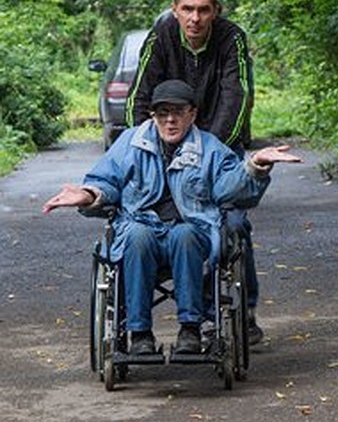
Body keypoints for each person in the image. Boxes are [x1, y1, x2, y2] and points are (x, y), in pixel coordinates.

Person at [44, 81, 300, 356]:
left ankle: (190, 329)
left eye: (178, 112)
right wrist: (88, 195)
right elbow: (105, 181)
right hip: (141, 230)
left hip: (192, 234)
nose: (170, 119)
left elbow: (230, 187)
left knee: (184, 234)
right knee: (136, 235)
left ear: (192, 114)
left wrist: (254, 166)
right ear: (152, 115)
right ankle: (139, 332)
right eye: (163, 112)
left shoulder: (210, 149)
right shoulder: (130, 143)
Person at [125, 0, 267, 343]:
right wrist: (148, 142)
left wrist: (203, 149)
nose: (195, 18)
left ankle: (237, 310)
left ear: (215, 12)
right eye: (187, 9)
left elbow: (236, 98)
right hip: (164, 137)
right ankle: (136, 316)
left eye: (203, 10)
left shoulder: (231, 39)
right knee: (137, 219)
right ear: (175, 10)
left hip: (217, 144)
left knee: (233, 222)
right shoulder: (161, 37)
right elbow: (139, 98)